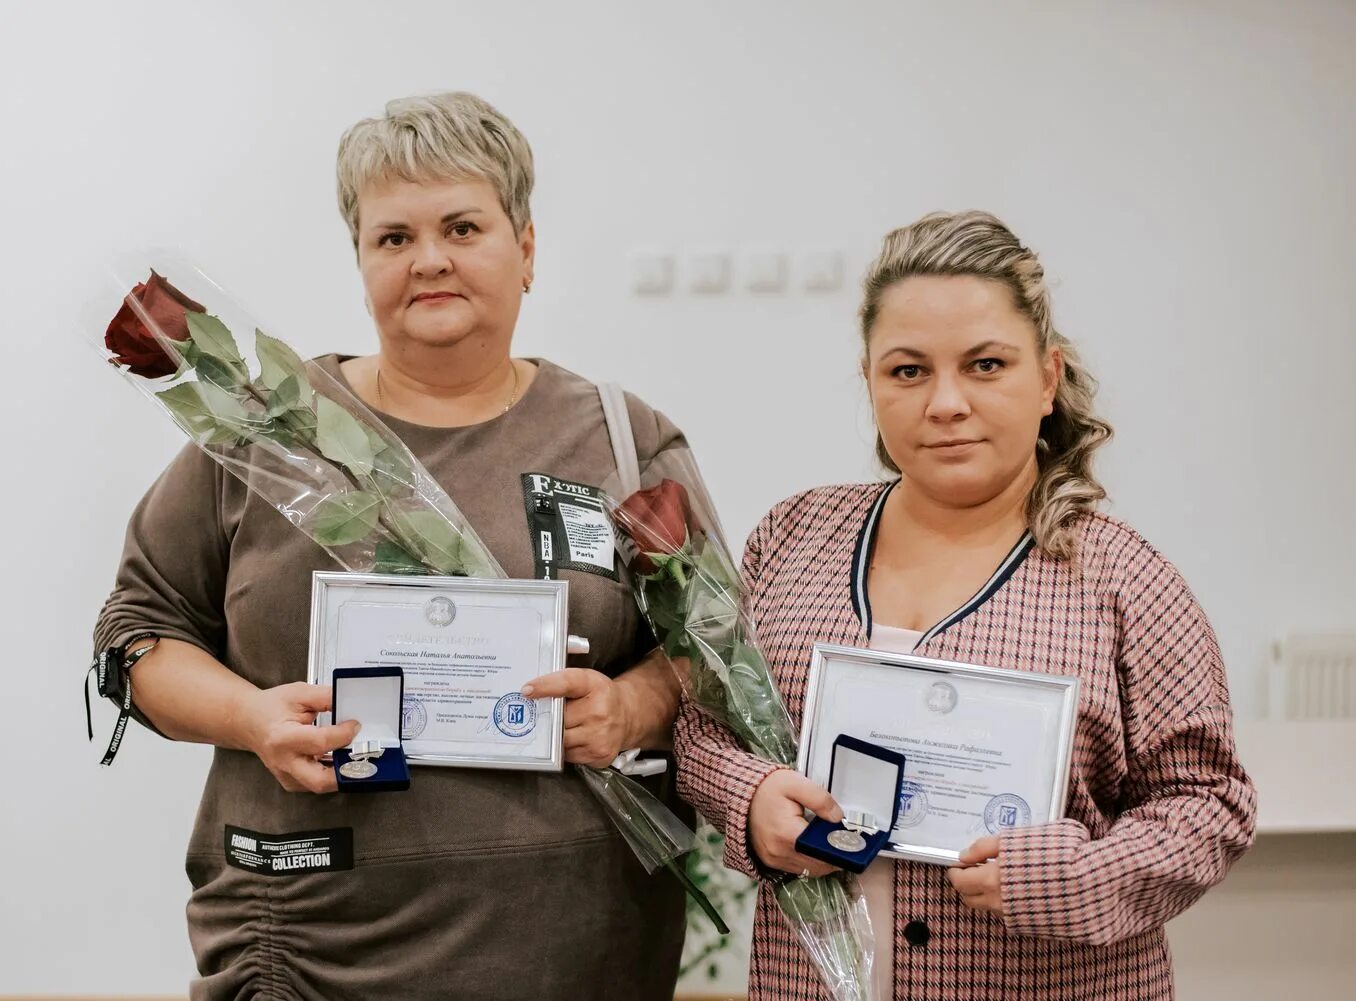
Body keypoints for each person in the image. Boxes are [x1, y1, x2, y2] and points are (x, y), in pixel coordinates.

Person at [94, 92, 688, 1001]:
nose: (430, 260)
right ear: (361, 259)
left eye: (462, 226)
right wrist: (251, 719)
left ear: (525, 249)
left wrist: (632, 707)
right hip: (307, 945)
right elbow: (135, 633)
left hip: (576, 945)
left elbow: (706, 652)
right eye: (394, 237)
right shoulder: (266, 431)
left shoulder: (618, 436)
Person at [675, 211, 1257, 1000]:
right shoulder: (792, 536)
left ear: (1047, 377)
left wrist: (1073, 874)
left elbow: (1209, 806)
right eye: (908, 371)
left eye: (986, 365)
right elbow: (703, 727)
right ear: (871, 380)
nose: (945, 402)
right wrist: (748, 802)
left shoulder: (1125, 579)